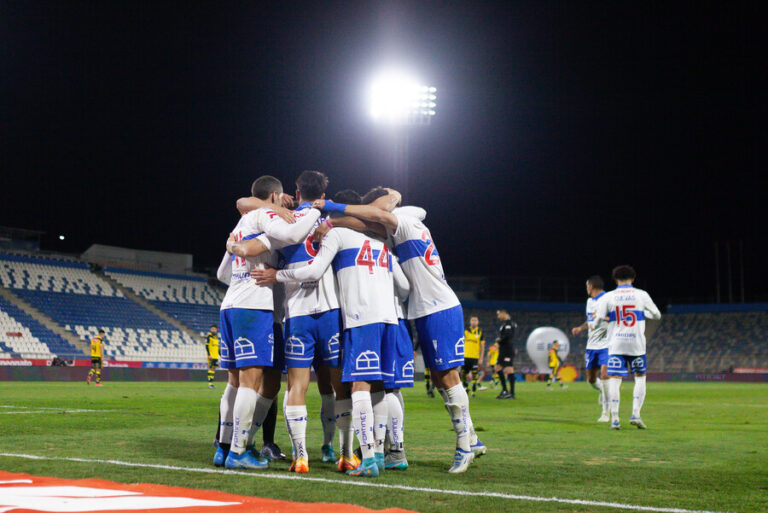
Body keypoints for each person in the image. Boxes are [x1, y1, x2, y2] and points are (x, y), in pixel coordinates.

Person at [312, 191, 485, 473]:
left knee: (448, 378)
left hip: (438, 307)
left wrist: (331, 210)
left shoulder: (402, 221)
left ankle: (464, 445)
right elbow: (368, 222)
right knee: (440, 381)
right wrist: (341, 221)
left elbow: (377, 214)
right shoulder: (402, 224)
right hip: (426, 309)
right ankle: (472, 439)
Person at [253, 190, 399, 479]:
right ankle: (345, 455)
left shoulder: (283, 224)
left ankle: (300, 456)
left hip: (298, 315)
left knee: (297, 387)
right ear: (321, 194)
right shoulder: (335, 223)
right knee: (338, 387)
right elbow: (385, 209)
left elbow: (246, 207)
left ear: (294, 193)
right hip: (332, 315)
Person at [214, 175, 320, 470]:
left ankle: (223, 447)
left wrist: (247, 267)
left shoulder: (241, 224)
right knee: (250, 381)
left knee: (236, 382)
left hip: (232, 304)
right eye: (282, 197)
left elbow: (223, 273)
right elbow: (293, 234)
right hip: (253, 307)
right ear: (274, 196)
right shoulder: (264, 215)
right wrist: (313, 210)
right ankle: (239, 451)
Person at [596, 265, 661, 430]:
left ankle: (615, 419)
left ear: (615, 279)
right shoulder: (641, 295)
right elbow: (657, 315)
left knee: (615, 380)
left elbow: (597, 320)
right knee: (640, 377)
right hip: (637, 345)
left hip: (616, 344)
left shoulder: (608, 297)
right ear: (633, 279)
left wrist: (605, 322)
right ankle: (636, 415)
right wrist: (642, 313)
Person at [571, 275, 610, 421]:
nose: (586, 288)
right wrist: (580, 328)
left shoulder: (608, 299)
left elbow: (616, 318)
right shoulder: (589, 302)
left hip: (606, 344)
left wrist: (602, 318)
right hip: (591, 345)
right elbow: (590, 320)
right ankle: (601, 390)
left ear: (591, 286)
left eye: (587, 285)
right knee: (591, 379)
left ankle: (606, 412)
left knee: (605, 376)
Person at [494, 309, 517, 399]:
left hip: (507, 349)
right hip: (503, 349)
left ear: (504, 314)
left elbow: (508, 335)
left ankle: (511, 393)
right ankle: (505, 391)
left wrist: (499, 340)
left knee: (509, 369)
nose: (498, 316)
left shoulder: (509, 323)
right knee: (497, 368)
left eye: (499, 314)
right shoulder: (505, 324)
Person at [462, 316, 485, 398]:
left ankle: (474, 392)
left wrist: (481, 358)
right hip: (465, 356)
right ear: (470, 321)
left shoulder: (480, 332)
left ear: (478, 322)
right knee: (463, 374)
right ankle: (466, 387)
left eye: (475, 320)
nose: (474, 322)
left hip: (475, 357)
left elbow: (482, 346)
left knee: (475, 374)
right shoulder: (465, 331)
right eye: (472, 320)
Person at [205, 325, 219, 389]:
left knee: (213, 369)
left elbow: (218, 348)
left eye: (214, 329)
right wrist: (209, 354)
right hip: (211, 356)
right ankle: (209, 384)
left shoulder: (216, 337)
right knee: (210, 368)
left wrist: (221, 355)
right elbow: (207, 346)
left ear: (216, 330)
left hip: (216, 356)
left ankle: (211, 383)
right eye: (212, 329)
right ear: (210, 330)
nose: (213, 330)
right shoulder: (208, 336)